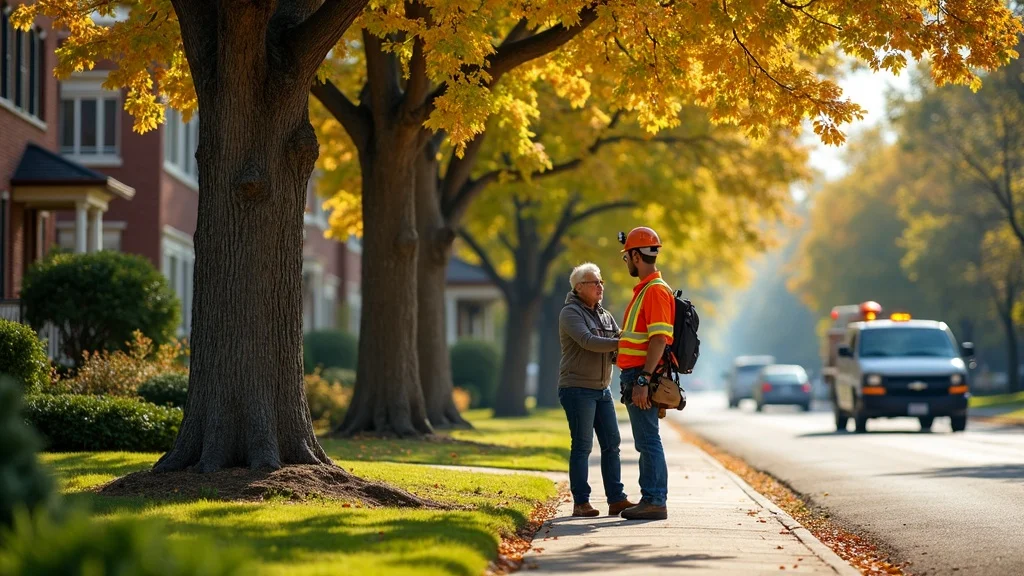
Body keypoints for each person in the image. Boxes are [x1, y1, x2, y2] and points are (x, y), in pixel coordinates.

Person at [558, 262, 636, 517]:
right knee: (582, 446)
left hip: (602, 389)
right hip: (577, 388)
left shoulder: (604, 315)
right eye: (595, 282)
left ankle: (616, 499)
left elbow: (615, 346)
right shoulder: (570, 313)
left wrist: (628, 346)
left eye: (601, 281)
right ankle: (581, 502)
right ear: (579, 287)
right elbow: (588, 341)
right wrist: (622, 342)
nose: (600, 286)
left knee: (612, 443)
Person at [616, 227, 674, 520]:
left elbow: (659, 339)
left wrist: (643, 379)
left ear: (636, 256)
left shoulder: (655, 291)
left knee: (648, 440)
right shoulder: (645, 291)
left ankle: (654, 500)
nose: (625, 261)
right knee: (645, 440)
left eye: (626, 256)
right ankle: (651, 498)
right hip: (636, 375)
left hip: (642, 377)